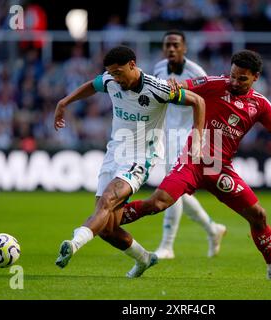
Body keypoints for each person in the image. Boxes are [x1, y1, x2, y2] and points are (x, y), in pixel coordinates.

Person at [120, 50, 271, 281]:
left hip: (219, 167)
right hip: (193, 160)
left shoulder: (260, 104)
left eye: (242, 78)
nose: (234, 81)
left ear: (255, 77)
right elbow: (178, 86)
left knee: (258, 216)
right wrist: (173, 84)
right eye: (233, 75)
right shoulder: (214, 84)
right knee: (157, 203)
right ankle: (109, 221)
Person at [54, 46, 206, 278]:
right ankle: (144, 258)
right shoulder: (110, 80)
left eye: (119, 72)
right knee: (107, 228)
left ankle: (74, 243)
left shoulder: (158, 88)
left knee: (107, 200)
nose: (115, 78)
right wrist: (64, 102)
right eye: (112, 73)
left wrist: (197, 135)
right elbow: (92, 86)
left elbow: (198, 101)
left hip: (142, 157)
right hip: (114, 153)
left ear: (133, 65)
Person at [152, 30, 226, 259]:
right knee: (180, 192)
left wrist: (202, 138)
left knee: (170, 187)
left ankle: (167, 246)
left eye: (176, 45)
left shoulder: (196, 73)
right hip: (166, 135)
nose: (171, 49)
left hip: (187, 137)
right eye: (168, 45)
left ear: (185, 48)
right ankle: (212, 229)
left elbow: (207, 103)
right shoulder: (158, 69)